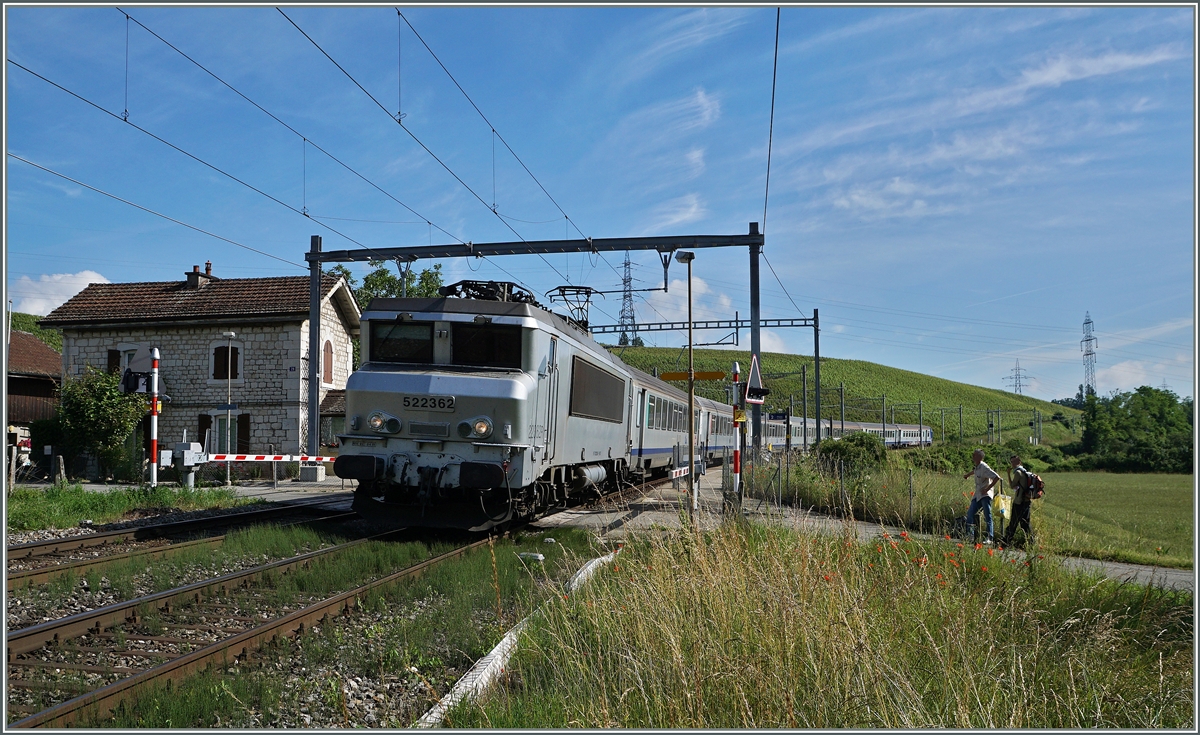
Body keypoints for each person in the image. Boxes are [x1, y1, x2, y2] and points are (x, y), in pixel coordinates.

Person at [962, 449, 1000, 543]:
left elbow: (996, 477)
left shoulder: (984, 467)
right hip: (978, 494)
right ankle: (970, 536)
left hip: (985, 495)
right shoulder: (978, 467)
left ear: (979, 457)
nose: (973, 457)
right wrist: (967, 475)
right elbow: (975, 471)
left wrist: (987, 489)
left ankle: (990, 537)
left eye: (974, 455)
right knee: (970, 513)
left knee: (987, 516)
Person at [1000, 454, 1034, 549]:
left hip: (1019, 502)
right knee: (1025, 523)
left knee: (1013, 523)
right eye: (1011, 462)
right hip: (1026, 501)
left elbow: (1012, 486)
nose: (1012, 464)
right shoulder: (1025, 472)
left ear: (1019, 462)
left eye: (1014, 462)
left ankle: (1006, 543)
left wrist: (1008, 474)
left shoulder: (1018, 473)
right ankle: (1031, 543)